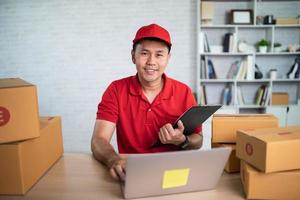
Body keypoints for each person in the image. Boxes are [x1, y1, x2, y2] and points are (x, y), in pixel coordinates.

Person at [91, 23, 203, 181]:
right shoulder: (116, 90)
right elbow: (98, 139)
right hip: (132, 172)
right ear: (133, 56)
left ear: (168, 58)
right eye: (144, 53)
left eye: (159, 54)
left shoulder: (183, 92)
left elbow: (198, 140)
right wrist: (114, 160)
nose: (151, 61)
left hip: (174, 173)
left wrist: (183, 140)